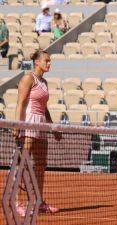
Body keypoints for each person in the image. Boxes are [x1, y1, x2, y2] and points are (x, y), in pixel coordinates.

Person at [13, 50, 61, 217]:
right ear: (37, 62)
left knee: (41, 165)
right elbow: (20, 103)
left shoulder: (45, 82)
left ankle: (39, 202)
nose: (49, 63)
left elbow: (45, 108)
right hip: (28, 123)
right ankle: (18, 203)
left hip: (41, 125)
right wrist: (17, 125)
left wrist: (52, 127)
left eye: (50, 61)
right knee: (23, 164)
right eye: (46, 61)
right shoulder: (28, 78)